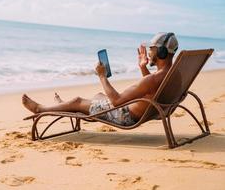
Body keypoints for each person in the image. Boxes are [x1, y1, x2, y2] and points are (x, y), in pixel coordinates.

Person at [22, 32, 179, 126]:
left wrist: (102, 75)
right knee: (98, 97)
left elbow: (117, 101)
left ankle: (40, 109)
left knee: (77, 101)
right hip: (146, 112)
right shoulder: (173, 75)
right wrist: (143, 68)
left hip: (125, 115)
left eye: (151, 48)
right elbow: (154, 91)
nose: (149, 52)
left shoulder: (153, 79)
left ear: (162, 52)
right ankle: (64, 106)